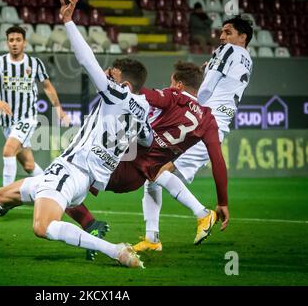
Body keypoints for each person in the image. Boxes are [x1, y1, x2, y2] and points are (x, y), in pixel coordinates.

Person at [0, 0, 151, 268]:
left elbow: (86, 60)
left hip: (74, 170)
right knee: (2, 196)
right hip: (79, 174)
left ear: (125, 85)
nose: (105, 75)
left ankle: (115, 250)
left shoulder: (118, 95)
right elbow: (149, 140)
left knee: (42, 227)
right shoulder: (143, 112)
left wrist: (69, 22)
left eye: (112, 75)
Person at [67, 61, 229, 254]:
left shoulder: (173, 96)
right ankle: (154, 237)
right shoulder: (208, 119)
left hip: (127, 163)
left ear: (178, 85)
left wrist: (114, 79)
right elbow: (218, 162)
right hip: (143, 171)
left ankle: (90, 226)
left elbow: (139, 92)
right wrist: (223, 202)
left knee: (68, 185)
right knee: (154, 177)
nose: (169, 87)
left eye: (171, 83)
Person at [133, 15, 253, 251]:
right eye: (221, 32)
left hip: (202, 123)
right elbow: (218, 78)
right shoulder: (247, 60)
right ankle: (152, 238)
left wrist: (192, 106)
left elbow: (206, 88)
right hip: (217, 125)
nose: (221, 37)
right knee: (153, 177)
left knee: (155, 170)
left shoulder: (228, 50)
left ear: (243, 36)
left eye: (228, 32)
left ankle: (202, 214)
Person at [0, 25, 70, 191]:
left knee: (8, 150)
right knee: (28, 165)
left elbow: (47, 87)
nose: (14, 43)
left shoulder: (34, 64)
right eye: (11, 40)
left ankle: (4, 199)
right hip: (6, 121)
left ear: (24, 43)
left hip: (27, 118)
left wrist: (58, 108)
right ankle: (50, 189)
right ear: (7, 43)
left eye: (18, 40)